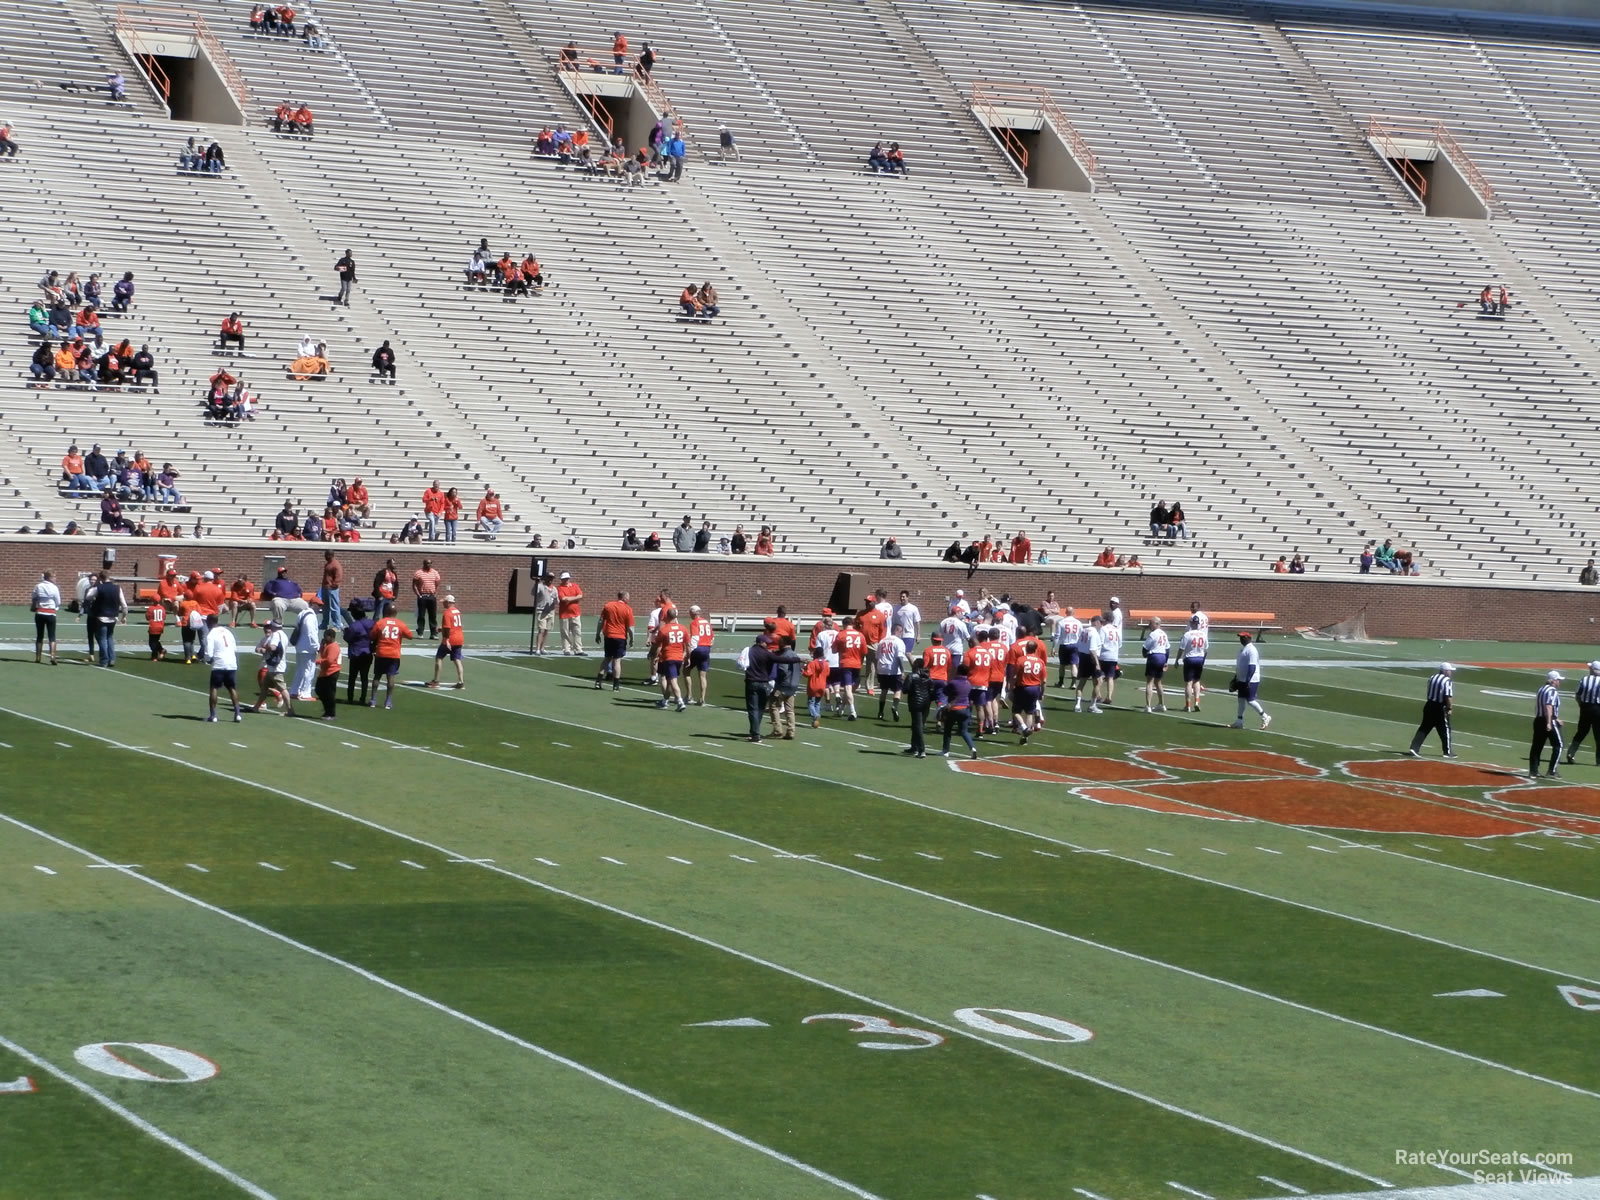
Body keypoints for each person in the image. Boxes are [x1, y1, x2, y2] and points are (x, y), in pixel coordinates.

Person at [1406, 663, 1456, 758]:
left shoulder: (1432, 677)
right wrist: (1449, 708)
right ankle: (1447, 752)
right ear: (1445, 671)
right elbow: (1448, 696)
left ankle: (1414, 748)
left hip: (1429, 705)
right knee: (1445, 730)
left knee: (1424, 727)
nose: (1451, 673)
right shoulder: (1447, 681)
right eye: (1450, 670)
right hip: (1440, 707)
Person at [199, 614, 242, 722]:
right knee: (232, 688)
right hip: (232, 663)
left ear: (209, 622)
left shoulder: (211, 634)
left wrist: (207, 659)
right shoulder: (228, 631)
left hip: (219, 663)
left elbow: (209, 653)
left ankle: (213, 715)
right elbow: (235, 648)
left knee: (214, 688)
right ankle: (237, 714)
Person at [370, 602, 413, 709]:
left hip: (381, 653)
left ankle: (373, 700)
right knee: (390, 678)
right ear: (396, 612)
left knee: (377, 676)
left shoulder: (380, 623)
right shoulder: (400, 624)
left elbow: (371, 636)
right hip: (394, 654)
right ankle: (388, 702)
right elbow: (410, 636)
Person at [595, 591, 635, 691]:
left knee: (607, 658)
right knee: (617, 660)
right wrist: (632, 638)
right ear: (624, 597)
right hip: (620, 637)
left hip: (609, 635)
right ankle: (616, 685)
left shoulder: (608, 606)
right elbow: (630, 627)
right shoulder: (627, 609)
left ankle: (598, 681)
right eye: (628, 597)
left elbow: (601, 621)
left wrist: (597, 633)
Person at [1231, 632, 1271, 730]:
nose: (1241, 639)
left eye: (1242, 637)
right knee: (1241, 700)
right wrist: (1236, 677)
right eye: (1240, 637)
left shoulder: (1252, 650)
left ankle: (1265, 716)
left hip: (1251, 679)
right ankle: (1239, 721)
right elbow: (1240, 665)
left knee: (1250, 700)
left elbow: (1252, 666)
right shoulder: (1243, 649)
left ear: (1248, 638)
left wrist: (1248, 680)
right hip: (1241, 678)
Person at [86, 571, 127, 667]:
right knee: (110, 637)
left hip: (101, 616)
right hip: (113, 617)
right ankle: (112, 658)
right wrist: (124, 616)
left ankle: (104, 660)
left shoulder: (99, 588)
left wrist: (96, 589)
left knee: (102, 638)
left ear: (100, 578)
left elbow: (88, 596)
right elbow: (124, 604)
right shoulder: (117, 588)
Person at [653, 608, 689, 711]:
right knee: (670, 680)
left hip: (669, 657)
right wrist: (687, 656)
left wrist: (656, 656)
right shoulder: (683, 628)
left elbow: (658, 645)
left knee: (672, 681)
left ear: (667, 617)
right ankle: (665, 701)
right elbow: (687, 644)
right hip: (679, 658)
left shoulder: (664, 629)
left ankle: (680, 701)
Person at [1530, 670, 1565, 779]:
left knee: (1537, 746)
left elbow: (1540, 706)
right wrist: (1550, 722)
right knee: (1559, 745)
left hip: (1538, 719)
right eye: (1558, 680)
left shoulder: (1541, 689)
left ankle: (1533, 771)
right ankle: (1552, 770)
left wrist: (1555, 718)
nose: (1559, 682)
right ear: (1554, 681)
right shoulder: (1552, 691)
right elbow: (1548, 706)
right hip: (1547, 721)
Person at [1565, 662, 1600, 766]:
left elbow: (1577, 695)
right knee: (1598, 735)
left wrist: (1582, 705)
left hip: (1585, 708)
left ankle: (1571, 753)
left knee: (1581, 732)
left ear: (1593, 669)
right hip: (1598, 709)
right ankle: (1599, 760)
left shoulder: (1585, 679)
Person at [743, 635, 776, 743]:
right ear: (761, 642)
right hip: (764, 684)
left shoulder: (750, 651)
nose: (768, 644)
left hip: (751, 682)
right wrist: (798, 659)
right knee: (760, 709)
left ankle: (755, 733)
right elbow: (781, 659)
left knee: (753, 709)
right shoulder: (767, 654)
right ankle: (755, 732)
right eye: (766, 643)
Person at [428, 594, 466, 690]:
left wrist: (447, 639)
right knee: (457, 660)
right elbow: (452, 626)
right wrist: (441, 629)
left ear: (448, 602)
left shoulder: (447, 613)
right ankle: (461, 681)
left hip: (450, 639)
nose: (443, 604)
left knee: (439, 658)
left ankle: (436, 680)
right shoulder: (457, 611)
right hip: (459, 638)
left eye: (444, 602)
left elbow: (448, 628)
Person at [941, 664, 978, 759]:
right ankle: (972, 748)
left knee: (948, 730)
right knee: (964, 731)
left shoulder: (953, 682)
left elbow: (945, 692)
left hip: (953, 709)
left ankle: (946, 751)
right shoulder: (969, 683)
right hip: (965, 709)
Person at [873, 630, 908, 721]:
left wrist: (877, 670)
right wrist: (903, 671)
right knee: (898, 690)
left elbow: (877, 656)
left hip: (882, 668)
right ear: (899, 631)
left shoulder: (882, 641)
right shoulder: (899, 642)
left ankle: (880, 712)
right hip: (894, 670)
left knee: (883, 691)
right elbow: (899, 657)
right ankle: (894, 706)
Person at [290, 602, 320, 701]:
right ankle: (305, 693)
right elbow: (311, 632)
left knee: (300, 669)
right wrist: (316, 646)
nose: (319, 608)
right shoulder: (311, 616)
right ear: (313, 605)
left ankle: (294, 691)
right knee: (309, 670)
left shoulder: (302, 613)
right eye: (319, 606)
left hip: (300, 646)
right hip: (308, 647)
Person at [30, 570, 60, 665]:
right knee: (52, 635)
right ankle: (52, 656)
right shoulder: (54, 587)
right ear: (50, 578)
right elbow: (58, 601)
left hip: (40, 612)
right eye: (54, 577)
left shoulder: (38, 586)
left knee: (39, 635)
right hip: (50, 612)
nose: (55, 579)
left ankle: (38, 657)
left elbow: (34, 596)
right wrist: (54, 606)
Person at [1142, 616, 1170, 712]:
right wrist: (1166, 661)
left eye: (1151, 623)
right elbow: (1167, 649)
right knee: (1158, 682)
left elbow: (1145, 648)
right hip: (1162, 657)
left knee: (1150, 682)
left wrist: (1145, 655)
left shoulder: (1153, 634)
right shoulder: (1164, 634)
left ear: (1157, 624)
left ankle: (1148, 706)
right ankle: (1161, 704)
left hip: (1154, 657)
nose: (1149, 625)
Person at [412, 557, 442, 637]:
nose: (428, 565)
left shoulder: (435, 573)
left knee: (433, 616)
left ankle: (433, 634)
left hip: (432, 597)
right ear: (424, 564)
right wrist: (419, 595)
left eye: (429, 563)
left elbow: (438, 585)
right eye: (427, 563)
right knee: (421, 615)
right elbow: (414, 585)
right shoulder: (418, 573)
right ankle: (420, 632)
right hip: (422, 597)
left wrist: (435, 595)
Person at [557, 572, 584, 654]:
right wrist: (575, 598)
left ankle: (578, 649)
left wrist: (570, 598)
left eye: (567, 578)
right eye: (564, 579)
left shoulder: (575, 586)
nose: (566, 580)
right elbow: (564, 599)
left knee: (577, 632)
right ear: (561, 579)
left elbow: (580, 596)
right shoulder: (560, 588)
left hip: (575, 613)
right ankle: (566, 649)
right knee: (565, 632)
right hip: (564, 614)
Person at [532, 572, 558, 656]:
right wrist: (537, 583)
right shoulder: (541, 586)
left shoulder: (554, 589)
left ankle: (543, 648)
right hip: (541, 610)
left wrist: (555, 600)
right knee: (541, 630)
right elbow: (533, 593)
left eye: (552, 578)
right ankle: (538, 649)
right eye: (549, 577)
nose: (550, 580)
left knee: (547, 630)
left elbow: (557, 600)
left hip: (551, 611)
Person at [319, 548, 344, 631]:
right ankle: (324, 623)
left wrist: (333, 585)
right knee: (325, 607)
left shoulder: (336, 565)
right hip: (325, 588)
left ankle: (337, 625)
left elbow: (339, 577)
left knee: (334, 607)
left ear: (330, 555)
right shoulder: (327, 564)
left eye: (326, 555)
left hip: (332, 589)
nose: (325, 557)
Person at [146, 592, 167, 661]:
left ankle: (155, 655)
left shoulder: (151, 608)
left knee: (152, 642)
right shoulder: (162, 608)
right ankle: (161, 650)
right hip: (160, 627)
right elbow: (164, 617)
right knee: (156, 641)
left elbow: (147, 617)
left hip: (153, 627)